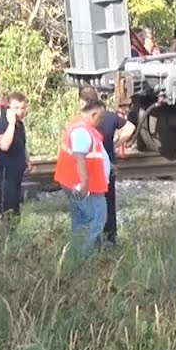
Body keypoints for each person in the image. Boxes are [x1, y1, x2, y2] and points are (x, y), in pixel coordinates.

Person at [78, 86, 136, 247]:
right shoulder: (110, 116)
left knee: (91, 206)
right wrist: (117, 144)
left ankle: (93, 241)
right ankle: (110, 238)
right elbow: (130, 128)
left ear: (82, 101)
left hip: (91, 169)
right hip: (108, 166)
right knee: (109, 204)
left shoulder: (84, 121)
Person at [54, 98, 110, 254]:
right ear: (93, 114)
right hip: (88, 188)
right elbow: (79, 158)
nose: (102, 120)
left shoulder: (80, 126)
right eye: (101, 116)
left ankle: (78, 256)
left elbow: (92, 154)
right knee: (95, 221)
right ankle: (84, 256)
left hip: (75, 184)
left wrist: (109, 165)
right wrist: (85, 183)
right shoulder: (82, 131)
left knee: (80, 223)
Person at [0, 93, 32, 218]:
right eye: (16, 108)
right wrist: (11, 124)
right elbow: (4, 145)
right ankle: (4, 237)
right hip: (4, 178)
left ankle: (12, 237)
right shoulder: (1, 124)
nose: (20, 112)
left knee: (16, 215)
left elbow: (22, 144)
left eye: (22, 108)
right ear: (8, 108)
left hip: (16, 177)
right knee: (7, 216)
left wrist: (27, 160)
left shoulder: (20, 125)